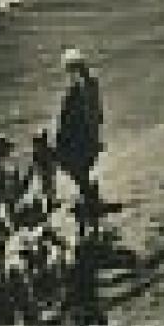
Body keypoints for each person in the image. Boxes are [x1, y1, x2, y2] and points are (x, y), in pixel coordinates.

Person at [52, 48, 105, 217]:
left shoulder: (76, 89)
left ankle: (89, 197)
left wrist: (59, 135)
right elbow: (96, 112)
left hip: (78, 134)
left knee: (73, 165)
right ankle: (89, 195)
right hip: (86, 132)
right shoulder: (90, 84)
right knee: (81, 166)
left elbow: (67, 115)